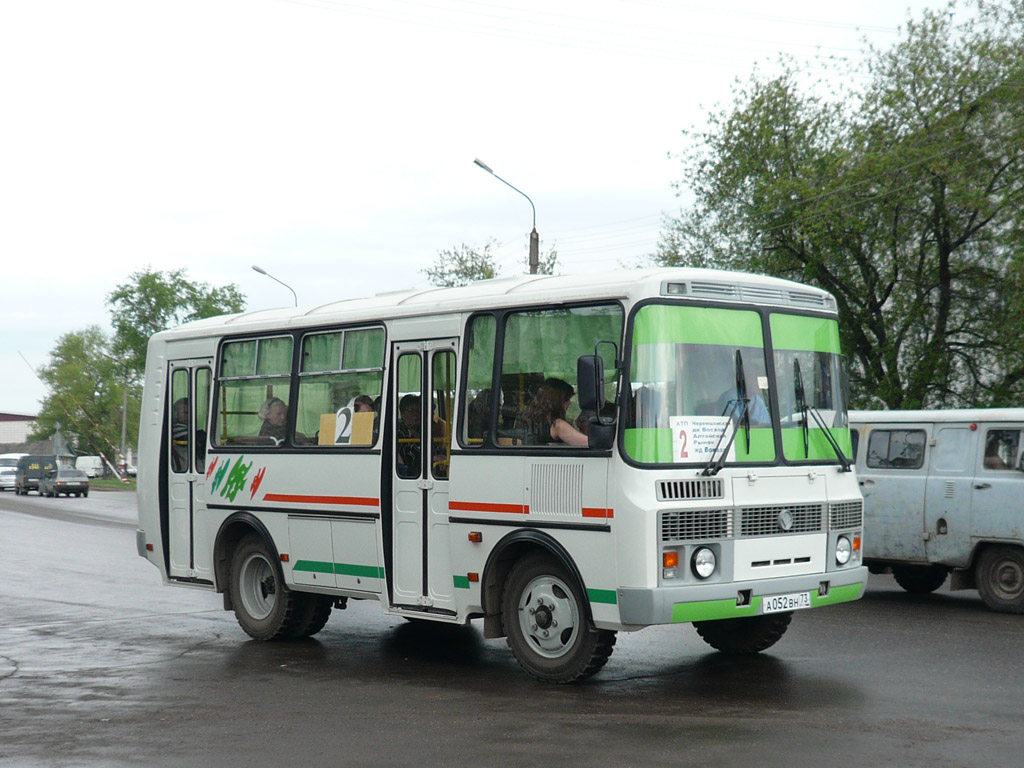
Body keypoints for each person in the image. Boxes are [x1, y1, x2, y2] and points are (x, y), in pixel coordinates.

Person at [517, 378, 588, 447]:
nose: (570, 403)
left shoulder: (526, 419)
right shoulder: (558, 425)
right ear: (557, 402)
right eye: (567, 399)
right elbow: (589, 444)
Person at [396, 394, 422, 476]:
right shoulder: (399, 432)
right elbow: (409, 458)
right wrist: (432, 459)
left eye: (418, 410)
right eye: (411, 411)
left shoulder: (425, 430)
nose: (415, 414)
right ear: (402, 413)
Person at [171, 398, 189, 471]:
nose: (190, 415)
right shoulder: (177, 429)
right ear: (176, 414)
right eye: (186, 413)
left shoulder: (188, 428)